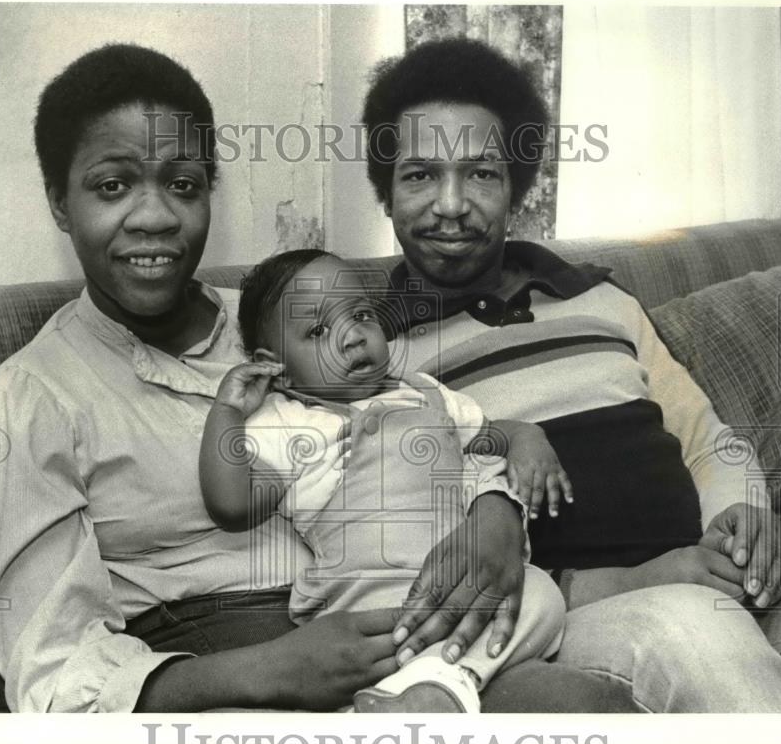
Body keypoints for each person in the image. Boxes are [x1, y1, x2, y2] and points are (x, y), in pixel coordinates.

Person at [0, 42, 631, 713]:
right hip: (226, 676)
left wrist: (495, 514)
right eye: (113, 185)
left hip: (401, 622)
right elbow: (52, 674)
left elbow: (418, 424)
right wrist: (264, 671)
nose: (155, 215)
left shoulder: (293, 315)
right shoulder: (26, 401)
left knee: (589, 706)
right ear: (60, 201)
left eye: (183, 184)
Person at [360, 36, 781, 712]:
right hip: (569, 614)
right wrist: (654, 576)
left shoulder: (601, 300)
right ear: (386, 193)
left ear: (515, 186)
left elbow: (705, 437)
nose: (451, 204)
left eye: (481, 173)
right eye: (421, 175)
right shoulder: (375, 353)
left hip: (710, 570)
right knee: (697, 631)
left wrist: (744, 517)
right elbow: (419, 557)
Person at [201, 248, 572, 712]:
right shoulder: (291, 422)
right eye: (318, 331)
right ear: (275, 366)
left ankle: (425, 690)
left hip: (461, 580)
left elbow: (490, 435)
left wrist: (528, 439)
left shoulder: (423, 390)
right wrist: (227, 411)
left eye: (360, 314)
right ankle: (440, 682)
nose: (353, 337)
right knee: (523, 615)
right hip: (369, 607)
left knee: (541, 596)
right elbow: (231, 505)